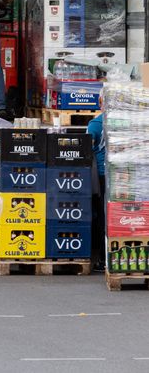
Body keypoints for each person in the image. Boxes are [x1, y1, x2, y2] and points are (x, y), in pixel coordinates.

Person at [88, 109, 106, 272]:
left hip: (102, 175)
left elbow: (85, 148)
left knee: (102, 216)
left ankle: (103, 258)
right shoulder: (124, 121)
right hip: (123, 174)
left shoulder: (96, 124)